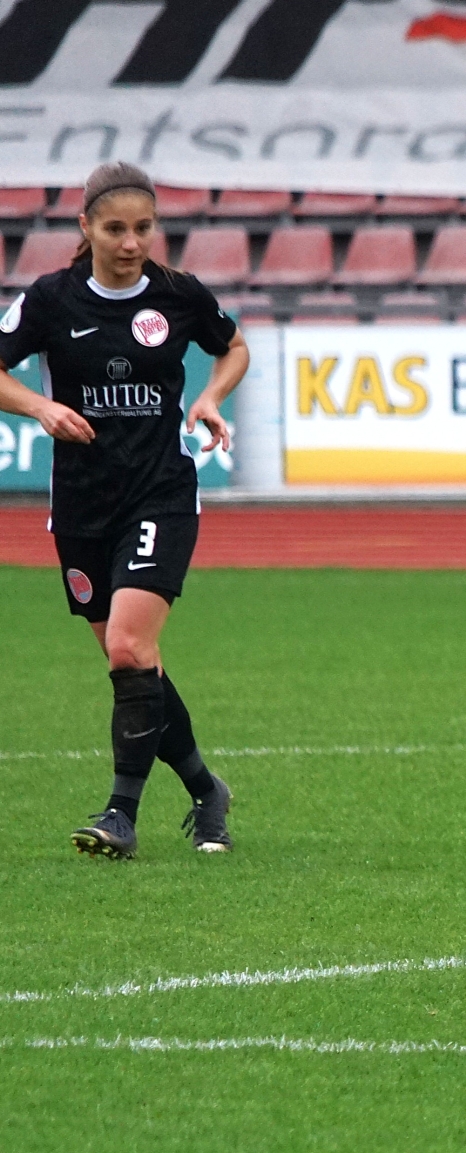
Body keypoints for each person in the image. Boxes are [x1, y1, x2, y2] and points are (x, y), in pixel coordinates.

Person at [0, 161, 249, 859]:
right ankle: (206, 790)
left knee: (128, 648)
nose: (132, 242)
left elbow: (233, 347)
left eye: (143, 227)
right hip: (83, 507)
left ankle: (120, 813)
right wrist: (41, 406)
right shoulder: (51, 299)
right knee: (134, 665)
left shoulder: (177, 295)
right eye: (115, 229)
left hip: (160, 494)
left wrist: (211, 396)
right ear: (87, 227)